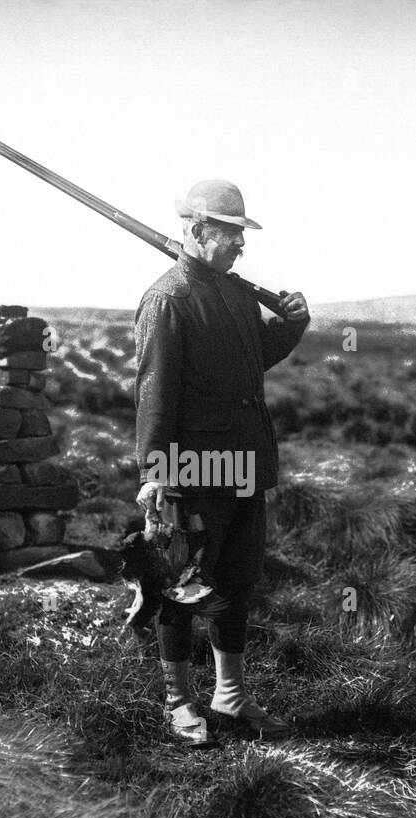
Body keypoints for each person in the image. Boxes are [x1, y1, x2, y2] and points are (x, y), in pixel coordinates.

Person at [133, 178, 310, 746]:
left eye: (240, 233)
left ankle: (229, 698)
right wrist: (154, 474)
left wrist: (290, 326)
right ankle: (178, 702)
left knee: (235, 580)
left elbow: (253, 361)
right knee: (182, 585)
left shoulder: (234, 294)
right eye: (230, 233)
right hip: (192, 470)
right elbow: (154, 394)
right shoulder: (168, 299)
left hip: (243, 466)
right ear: (196, 231)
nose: (240, 244)